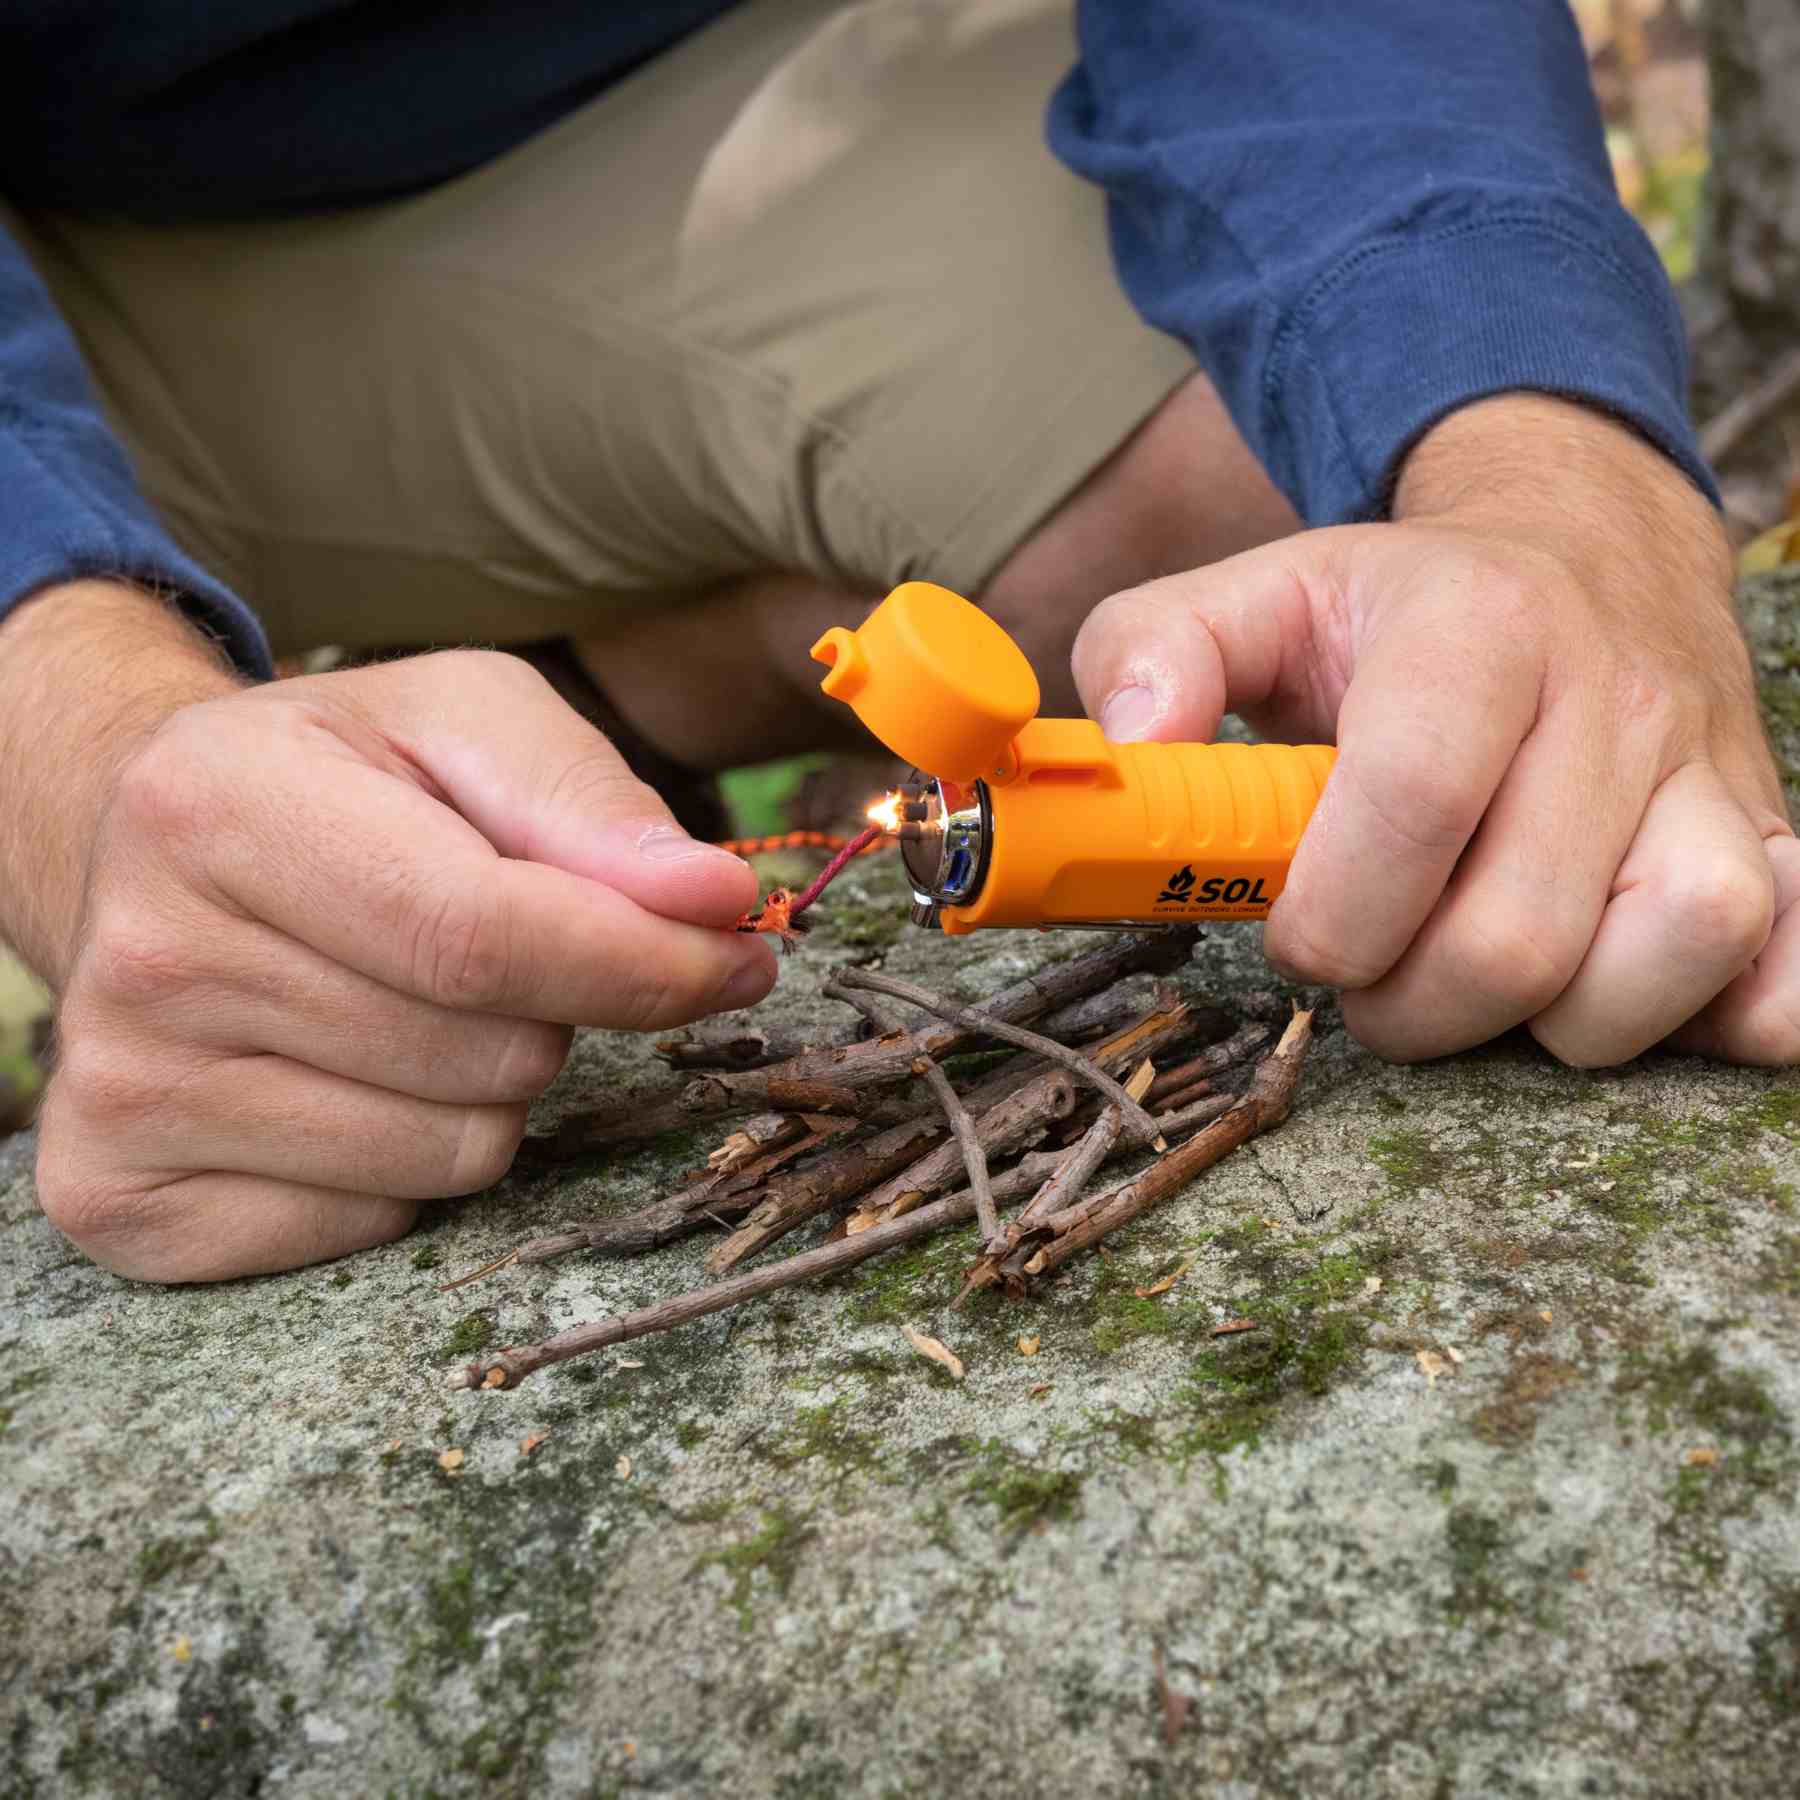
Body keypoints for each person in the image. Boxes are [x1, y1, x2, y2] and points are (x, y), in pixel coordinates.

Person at [0, 2, 1792, 1283]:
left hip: (699, 63)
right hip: (112, 219)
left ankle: (659, 671)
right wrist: (87, 754)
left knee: (1320, 567)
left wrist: (1552, 477)